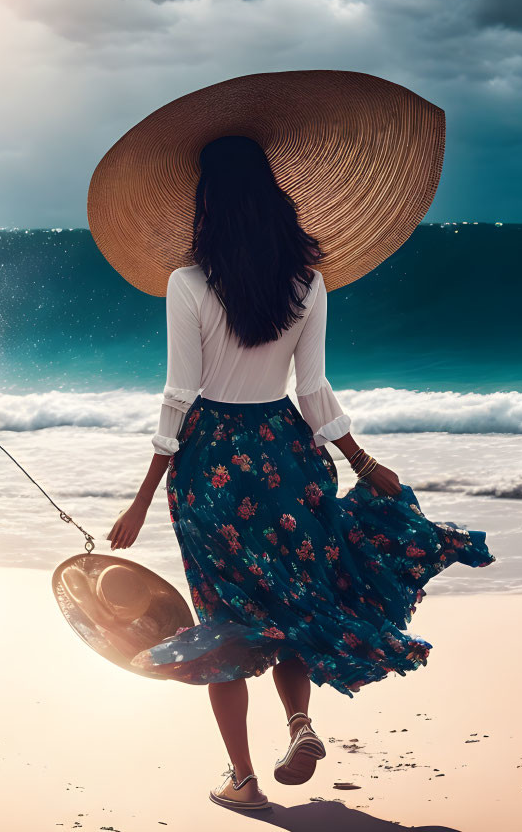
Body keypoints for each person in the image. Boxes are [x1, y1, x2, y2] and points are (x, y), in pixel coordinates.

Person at [104, 135, 494, 811]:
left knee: (226, 619)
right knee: (292, 599)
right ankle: (300, 724)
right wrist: (360, 460)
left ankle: (241, 777)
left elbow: (178, 395)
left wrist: (139, 499)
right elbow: (312, 389)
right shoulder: (305, 282)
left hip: (211, 465)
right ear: (273, 198)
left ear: (206, 203)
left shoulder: (188, 284)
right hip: (287, 455)